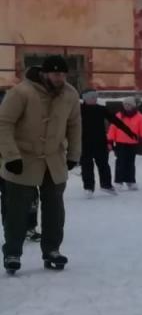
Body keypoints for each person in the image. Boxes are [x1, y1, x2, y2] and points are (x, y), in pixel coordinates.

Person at [0, 57, 81, 274]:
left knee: (55, 209)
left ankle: (52, 250)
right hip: (23, 159)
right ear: (44, 73)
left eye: (63, 74)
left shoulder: (70, 94)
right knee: (17, 210)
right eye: (56, 74)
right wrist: (11, 156)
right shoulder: (21, 92)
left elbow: (74, 125)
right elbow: (4, 123)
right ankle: (12, 253)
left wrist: (74, 154)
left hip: (54, 160)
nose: (60, 78)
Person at [79, 89, 116, 196]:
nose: (95, 99)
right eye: (92, 97)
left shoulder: (101, 109)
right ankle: (88, 187)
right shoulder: (79, 110)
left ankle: (106, 185)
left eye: (95, 97)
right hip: (85, 142)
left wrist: (108, 140)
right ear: (86, 98)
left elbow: (110, 123)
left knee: (103, 164)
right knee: (86, 165)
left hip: (100, 142)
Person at [107, 97, 142, 190]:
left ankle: (130, 181)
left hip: (132, 143)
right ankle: (119, 181)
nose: (127, 106)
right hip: (120, 143)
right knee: (120, 162)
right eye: (125, 104)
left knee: (130, 162)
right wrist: (110, 141)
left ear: (133, 106)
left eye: (129, 104)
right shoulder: (118, 116)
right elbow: (112, 129)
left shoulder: (139, 117)